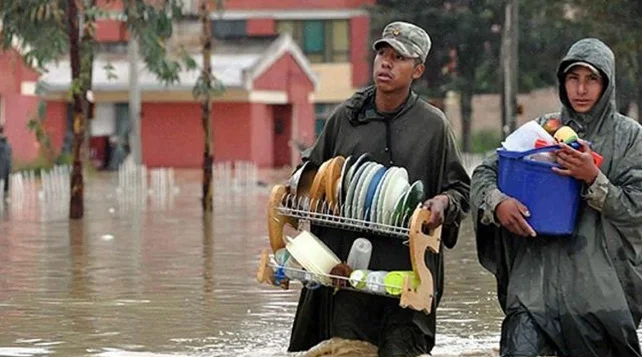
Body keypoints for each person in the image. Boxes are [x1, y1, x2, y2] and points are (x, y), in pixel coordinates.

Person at [288, 21, 471, 356]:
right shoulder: (346, 116)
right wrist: (302, 192)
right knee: (346, 350)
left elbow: (460, 189)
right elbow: (309, 176)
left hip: (407, 279)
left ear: (417, 70)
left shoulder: (433, 127)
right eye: (383, 54)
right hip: (347, 279)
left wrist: (442, 203)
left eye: (398, 57)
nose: (386, 63)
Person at [471, 38, 642, 356]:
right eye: (573, 78)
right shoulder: (541, 131)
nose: (581, 89)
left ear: (607, 84)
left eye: (592, 79)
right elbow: (484, 174)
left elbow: (637, 209)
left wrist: (593, 178)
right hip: (533, 291)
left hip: (600, 299)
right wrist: (498, 203)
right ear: (562, 82)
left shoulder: (631, 138)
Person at [0, 125, 11, 195]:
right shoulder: (6, 143)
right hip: (5, 170)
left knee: (5, 191)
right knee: (5, 191)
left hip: (5, 170)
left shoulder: (6, 143)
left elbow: (8, 155)